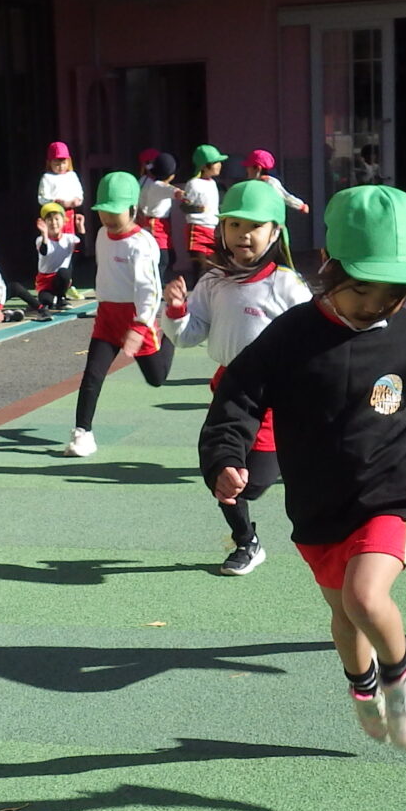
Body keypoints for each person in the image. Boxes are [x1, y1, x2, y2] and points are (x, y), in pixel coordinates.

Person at [200, 185, 406, 751]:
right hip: (319, 504)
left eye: (393, 294)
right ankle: (363, 686)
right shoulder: (290, 337)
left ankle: (403, 677)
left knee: (364, 596)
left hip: (393, 492)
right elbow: (238, 399)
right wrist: (225, 456)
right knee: (345, 615)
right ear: (328, 266)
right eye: (364, 290)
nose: (378, 305)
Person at [163, 178, 308, 575]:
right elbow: (188, 335)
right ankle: (246, 541)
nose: (244, 234)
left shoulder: (286, 283)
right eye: (235, 225)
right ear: (222, 230)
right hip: (228, 389)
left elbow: (311, 335)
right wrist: (175, 311)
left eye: (255, 226)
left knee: (255, 482)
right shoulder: (213, 281)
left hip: (275, 394)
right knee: (220, 473)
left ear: (275, 232)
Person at [63, 170, 166, 458]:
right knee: (92, 375)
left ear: (133, 209)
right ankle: (82, 433)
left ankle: (168, 332)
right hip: (107, 316)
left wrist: (141, 326)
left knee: (156, 378)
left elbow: (149, 290)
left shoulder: (142, 244)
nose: (108, 218)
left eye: (114, 212)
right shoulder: (101, 235)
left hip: (135, 318)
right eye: (103, 211)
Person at [180, 144, 228, 267]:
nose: (220, 165)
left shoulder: (213, 183)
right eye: (216, 162)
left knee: (215, 267)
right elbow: (184, 207)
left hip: (212, 229)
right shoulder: (193, 184)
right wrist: (197, 209)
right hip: (197, 229)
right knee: (201, 267)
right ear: (204, 166)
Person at [138, 151, 182, 270]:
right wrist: (181, 194)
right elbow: (169, 190)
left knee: (167, 257)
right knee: (162, 259)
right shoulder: (155, 184)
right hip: (155, 224)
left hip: (154, 223)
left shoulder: (143, 180)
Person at [36, 141, 85, 239]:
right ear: (50, 163)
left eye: (64, 163)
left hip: (69, 212)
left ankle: (73, 249)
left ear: (69, 162)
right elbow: (41, 198)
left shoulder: (72, 176)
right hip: (53, 214)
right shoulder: (47, 177)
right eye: (57, 164)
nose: (61, 167)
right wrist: (54, 202)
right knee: (55, 238)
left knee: (70, 238)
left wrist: (74, 201)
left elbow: (79, 193)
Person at [35, 203, 81, 304]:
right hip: (46, 281)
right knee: (46, 301)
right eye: (49, 220)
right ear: (44, 223)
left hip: (61, 278)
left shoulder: (69, 238)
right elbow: (44, 251)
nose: (53, 223)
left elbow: (80, 249)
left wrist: (80, 228)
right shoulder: (40, 239)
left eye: (57, 219)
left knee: (64, 272)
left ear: (64, 221)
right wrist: (44, 234)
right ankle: (52, 298)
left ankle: (61, 297)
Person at [243, 149, 310, 215]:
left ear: (258, 168)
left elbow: (285, 196)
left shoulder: (269, 182)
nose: (246, 170)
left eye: (248, 167)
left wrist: (300, 205)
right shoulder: (251, 185)